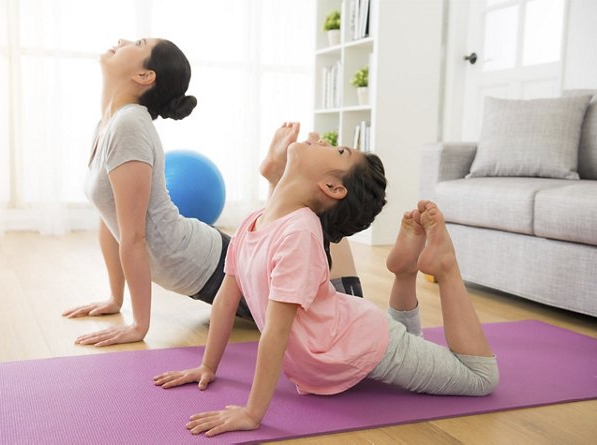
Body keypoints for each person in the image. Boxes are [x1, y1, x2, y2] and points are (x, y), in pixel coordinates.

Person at [152, 139, 499, 438]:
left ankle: (446, 267)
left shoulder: (298, 234)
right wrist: (207, 366)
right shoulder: (252, 222)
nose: (324, 143)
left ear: (333, 187)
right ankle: (404, 273)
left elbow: (275, 332)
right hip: (340, 343)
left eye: (339, 150)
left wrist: (252, 414)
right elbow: (227, 300)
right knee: (413, 343)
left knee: (481, 378)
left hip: (362, 343)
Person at [62, 37, 364, 346]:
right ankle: (278, 178)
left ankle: (283, 180)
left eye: (137, 43)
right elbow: (109, 215)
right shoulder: (109, 124)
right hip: (203, 258)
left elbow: (135, 237)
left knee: (338, 320)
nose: (123, 41)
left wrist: (140, 325)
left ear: (144, 75)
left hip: (208, 264)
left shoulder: (129, 126)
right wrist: (115, 296)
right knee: (295, 278)